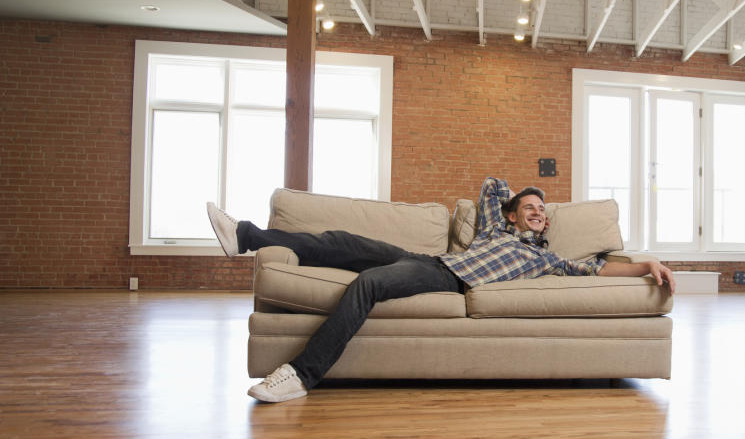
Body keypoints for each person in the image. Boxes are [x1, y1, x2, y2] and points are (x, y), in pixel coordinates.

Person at [207, 177, 674, 403]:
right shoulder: (496, 229)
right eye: (531, 208)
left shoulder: (548, 258)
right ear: (512, 214)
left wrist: (645, 265)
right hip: (432, 261)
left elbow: (597, 269)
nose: (539, 213)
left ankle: (302, 376)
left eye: (543, 211)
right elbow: (493, 186)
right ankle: (244, 237)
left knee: (369, 284)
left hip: (448, 280)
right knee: (340, 242)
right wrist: (517, 199)